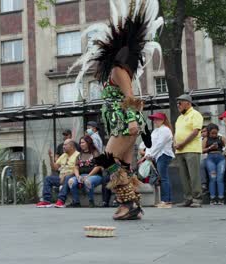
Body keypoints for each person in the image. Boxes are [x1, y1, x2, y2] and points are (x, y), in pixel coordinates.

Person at [70, 0, 163, 219]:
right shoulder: (118, 70)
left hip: (125, 122)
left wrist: (131, 121)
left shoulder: (119, 71)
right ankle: (133, 206)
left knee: (107, 160)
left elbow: (130, 98)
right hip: (122, 122)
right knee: (122, 164)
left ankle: (128, 204)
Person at [174, 94, 204, 208]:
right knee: (183, 176)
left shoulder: (195, 114)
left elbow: (195, 132)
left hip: (192, 149)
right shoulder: (180, 117)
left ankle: (197, 199)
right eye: (177, 103)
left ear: (188, 103)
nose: (178, 105)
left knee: (193, 175)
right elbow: (177, 133)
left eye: (180, 103)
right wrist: (175, 143)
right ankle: (188, 198)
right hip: (180, 151)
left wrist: (182, 144)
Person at [36, 139, 79, 208]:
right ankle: (47, 201)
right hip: (61, 178)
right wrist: (51, 158)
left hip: (71, 177)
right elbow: (55, 168)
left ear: (72, 146)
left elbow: (78, 169)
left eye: (65, 145)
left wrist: (65, 175)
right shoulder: (64, 155)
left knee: (67, 178)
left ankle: (61, 200)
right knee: (48, 179)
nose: (63, 147)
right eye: (63, 145)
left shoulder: (77, 155)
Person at [145, 112, 175, 208]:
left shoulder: (165, 130)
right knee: (163, 177)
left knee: (163, 178)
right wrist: (147, 154)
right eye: (154, 119)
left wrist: (151, 155)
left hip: (164, 155)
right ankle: (167, 201)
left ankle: (166, 201)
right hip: (158, 155)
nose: (155, 121)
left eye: (157, 119)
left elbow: (160, 144)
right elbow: (150, 144)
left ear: (163, 120)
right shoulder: (155, 131)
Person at [67, 136, 102, 208]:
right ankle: (76, 202)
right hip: (82, 175)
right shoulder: (79, 155)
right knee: (71, 181)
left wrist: (88, 176)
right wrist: (77, 176)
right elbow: (76, 167)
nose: (81, 144)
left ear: (88, 143)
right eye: (80, 143)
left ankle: (91, 201)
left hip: (94, 176)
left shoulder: (95, 153)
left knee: (87, 181)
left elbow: (98, 166)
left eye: (83, 142)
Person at [202, 123, 226, 205]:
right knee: (213, 178)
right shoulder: (206, 139)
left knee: (220, 178)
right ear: (209, 132)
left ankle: (221, 198)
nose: (214, 135)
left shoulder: (221, 138)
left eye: (216, 133)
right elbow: (202, 150)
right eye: (212, 133)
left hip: (220, 158)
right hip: (210, 158)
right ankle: (212, 198)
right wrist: (210, 148)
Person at [200, 126, 208, 190]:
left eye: (204, 131)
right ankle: (203, 184)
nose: (203, 133)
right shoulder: (199, 140)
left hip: (211, 157)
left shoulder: (217, 136)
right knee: (201, 164)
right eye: (201, 132)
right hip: (202, 158)